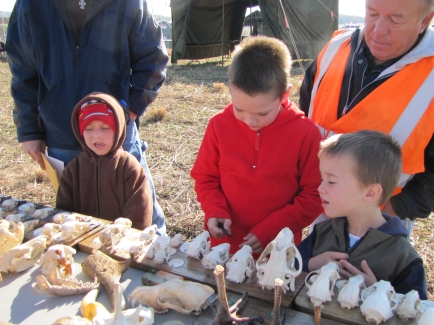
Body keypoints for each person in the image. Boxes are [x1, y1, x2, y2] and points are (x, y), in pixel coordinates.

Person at [299, 0, 434, 235]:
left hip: (377, 222)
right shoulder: (336, 47)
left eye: (395, 20)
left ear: (425, 21)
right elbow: (306, 105)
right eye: (372, 14)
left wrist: (397, 208)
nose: (378, 30)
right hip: (320, 203)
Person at [5, 0, 168, 235]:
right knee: (76, 224)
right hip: (61, 133)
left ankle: (154, 269)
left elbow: (153, 58)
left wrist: (127, 112)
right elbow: (22, 71)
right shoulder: (30, 4)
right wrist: (29, 129)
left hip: (118, 136)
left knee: (145, 223)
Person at [191, 36, 323, 255]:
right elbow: (205, 178)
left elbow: (314, 195)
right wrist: (215, 210)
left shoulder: (306, 134)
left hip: (278, 250)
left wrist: (273, 230)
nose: (250, 121)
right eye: (239, 109)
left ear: (285, 95)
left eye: (262, 113)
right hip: (225, 248)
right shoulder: (218, 126)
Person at [297, 131, 428, 298]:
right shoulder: (322, 233)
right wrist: (311, 264)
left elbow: (417, 313)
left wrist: (376, 291)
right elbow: (286, 271)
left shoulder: (402, 257)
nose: (320, 188)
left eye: (331, 181)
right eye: (322, 179)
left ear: (370, 193)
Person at [56, 93, 153, 230]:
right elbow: (63, 214)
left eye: (105, 127)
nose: (97, 135)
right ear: (80, 132)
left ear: (118, 129)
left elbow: (140, 218)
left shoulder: (129, 167)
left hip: (121, 245)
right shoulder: (73, 169)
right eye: (89, 128)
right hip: (82, 244)